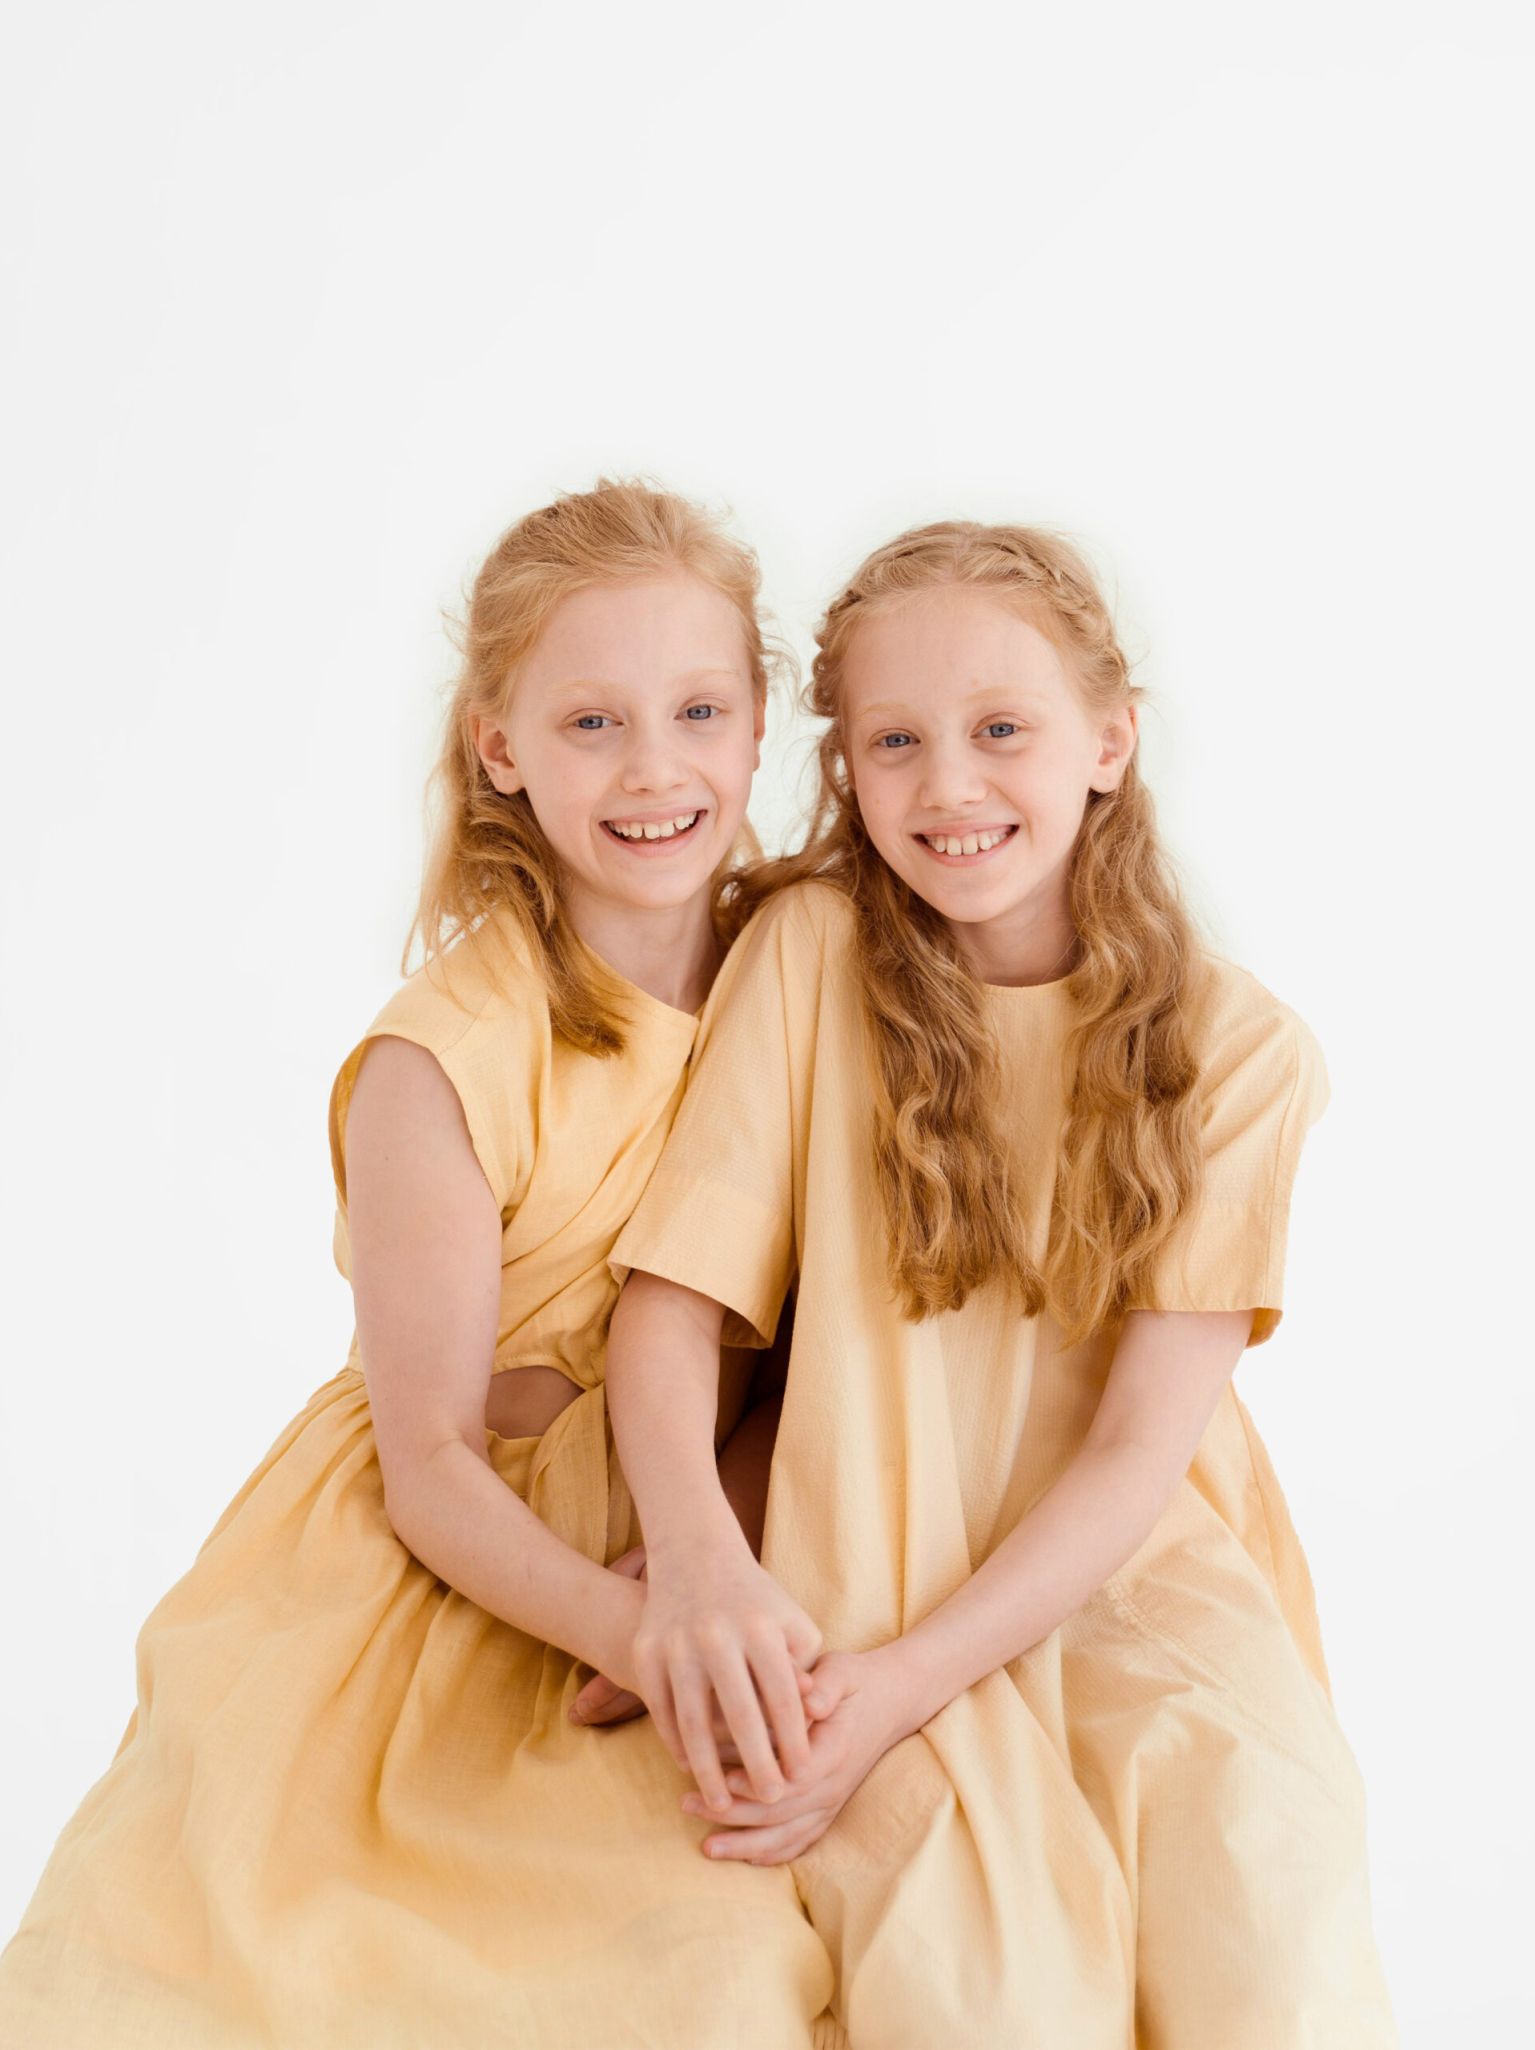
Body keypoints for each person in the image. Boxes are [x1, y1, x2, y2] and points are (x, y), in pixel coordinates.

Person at [0, 480, 836, 2050]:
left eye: (698, 711)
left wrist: (708, 1538)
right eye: (591, 722)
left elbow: (806, 1329)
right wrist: (636, 1632)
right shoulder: (444, 1055)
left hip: (699, 1546)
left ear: (757, 721)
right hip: (465, 1578)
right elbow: (431, 1459)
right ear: (498, 744)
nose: (654, 767)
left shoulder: (796, 974)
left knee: (732, 1971)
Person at [605, 519, 1399, 2049]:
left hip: (1133, 1584)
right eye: (894, 741)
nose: (948, 787)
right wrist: (700, 1564)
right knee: (988, 1999)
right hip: (860, 1573)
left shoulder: (1240, 1051)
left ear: (1110, 741)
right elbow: (672, 1310)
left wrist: (911, 1681)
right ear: (846, 768)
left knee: (1274, 1932)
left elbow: (1134, 1452)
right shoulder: (812, 954)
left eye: (1001, 731)